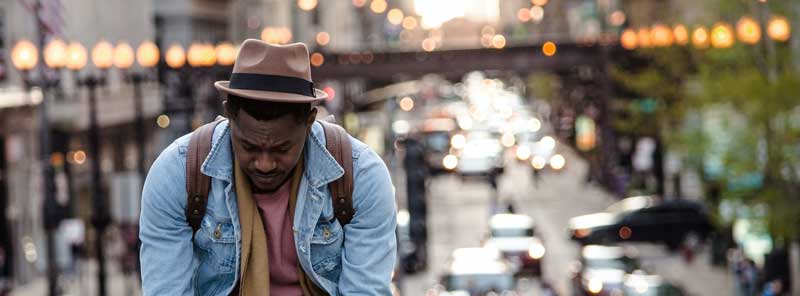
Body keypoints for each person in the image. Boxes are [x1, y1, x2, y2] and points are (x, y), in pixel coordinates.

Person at [139, 39, 397, 295]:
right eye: (250, 147)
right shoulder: (178, 174)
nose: (264, 164)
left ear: (309, 122)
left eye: (281, 149)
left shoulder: (361, 175)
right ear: (229, 114)